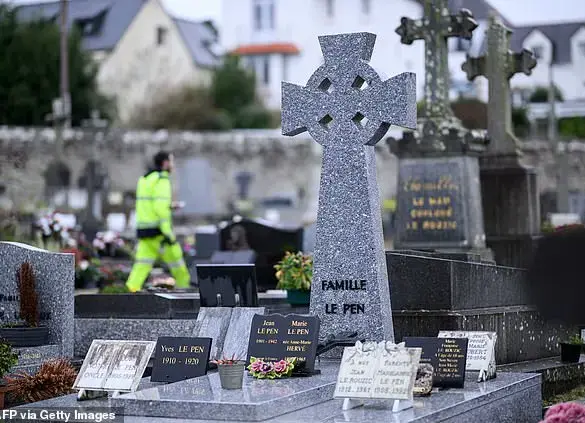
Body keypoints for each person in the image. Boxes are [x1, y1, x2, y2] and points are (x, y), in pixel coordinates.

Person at [126, 151, 190, 292]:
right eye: (171, 161)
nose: (173, 165)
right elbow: (160, 208)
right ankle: (187, 293)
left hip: (145, 229)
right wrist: (168, 233)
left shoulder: (145, 179)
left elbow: (149, 204)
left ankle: (130, 291)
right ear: (165, 163)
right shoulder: (162, 179)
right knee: (178, 264)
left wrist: (170, 206)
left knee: (141, 265)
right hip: (159, 232)